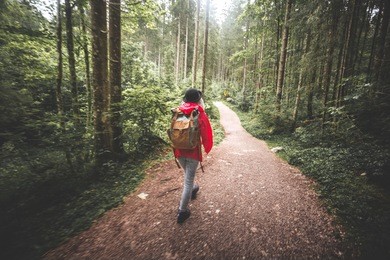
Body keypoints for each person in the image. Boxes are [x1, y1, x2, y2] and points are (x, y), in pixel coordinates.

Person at [174, 88, 213, 224]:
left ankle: (194, 188)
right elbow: (206, 134)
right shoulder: (199, 113)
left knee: (188, 176)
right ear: (198, 100)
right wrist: (207, 147)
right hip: (192, 152)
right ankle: (182, 211)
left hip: (178, 151)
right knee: (188, 181)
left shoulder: (178, 111)